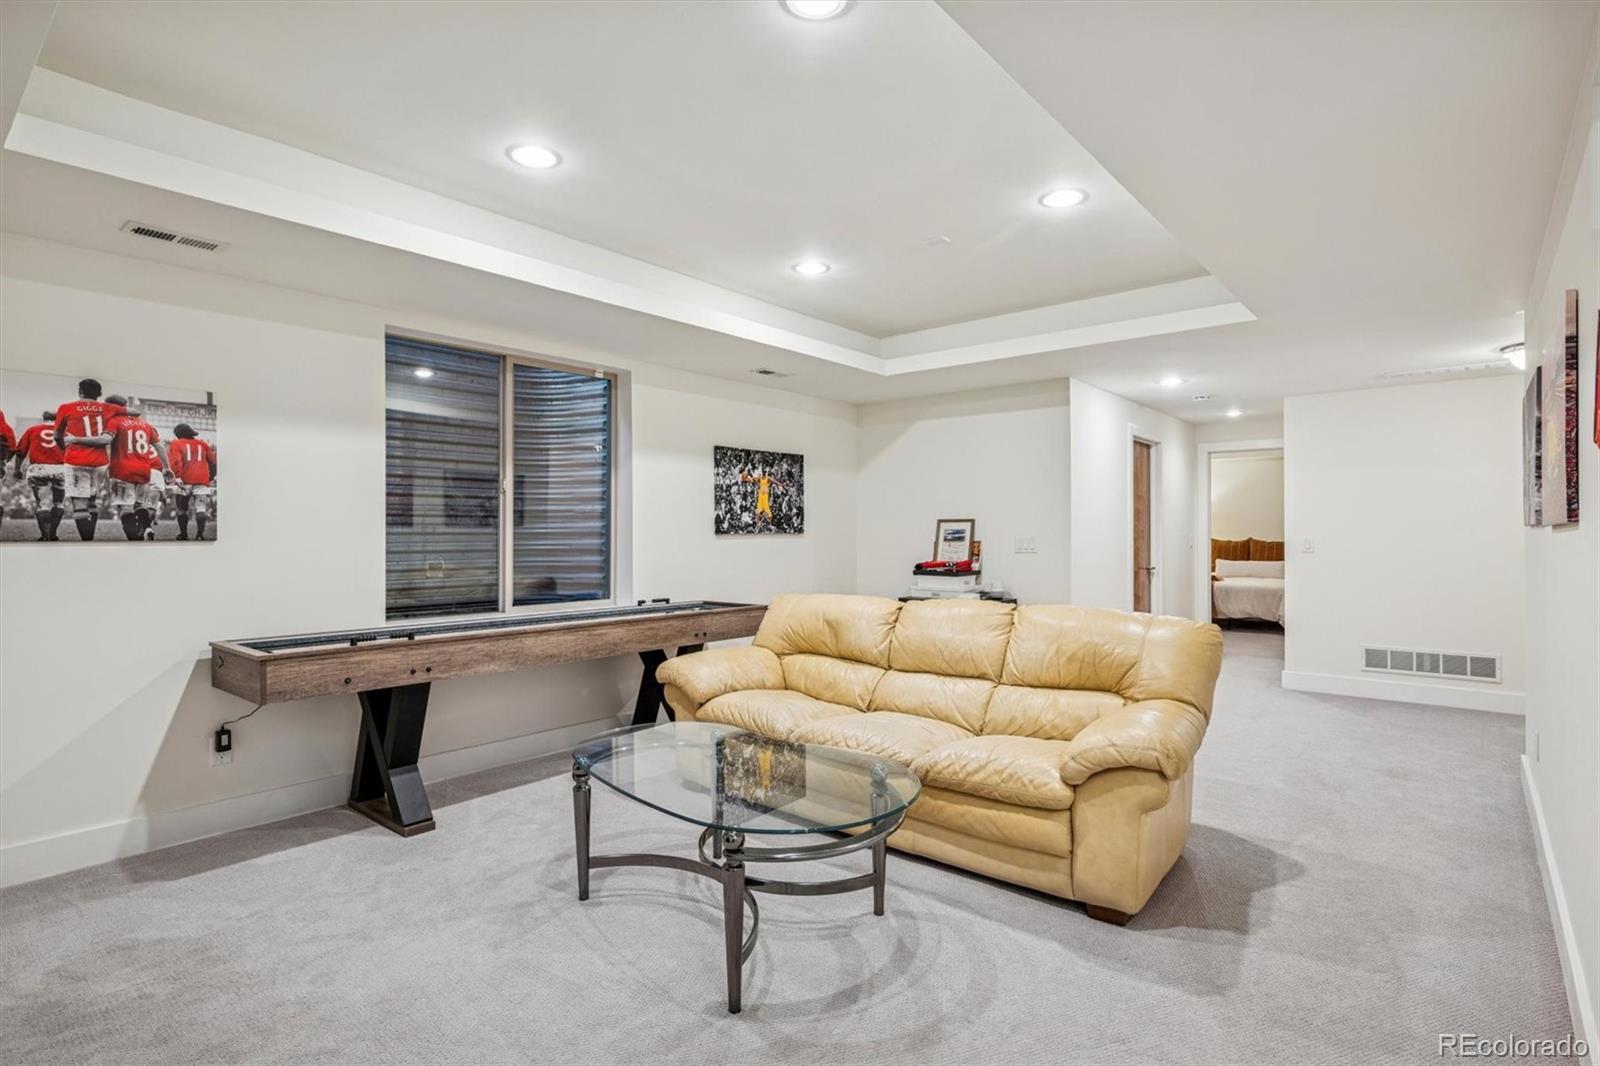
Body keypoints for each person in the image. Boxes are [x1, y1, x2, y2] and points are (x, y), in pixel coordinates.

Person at [53, 379, 124, 541]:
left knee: (79, 503)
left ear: (80, 392)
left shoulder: (66, 407)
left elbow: (57, 435)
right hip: (100, 462)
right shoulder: (108, 408)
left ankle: (86, 540)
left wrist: (64, 448)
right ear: (99, 394)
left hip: (76, 460)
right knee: (92, 501)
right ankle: (89, 538)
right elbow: (135, 411)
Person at [106, 399, 169, 541]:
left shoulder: (115, 422)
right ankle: (147, 528)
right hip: (144, 470)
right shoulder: (146, 425)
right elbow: (160, 446)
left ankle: (134, 540)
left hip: (123, 469)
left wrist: (108, 466)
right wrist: (167, 468)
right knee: (140, 505)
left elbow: (107, 444)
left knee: (125, 508)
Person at [11, 410, 67, 540]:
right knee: (58, 503)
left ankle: (45, 536)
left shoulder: (33, 430)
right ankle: (52, 534)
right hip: (60, 469)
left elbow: (20, 451)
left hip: (39, 468)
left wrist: (17, 469)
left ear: (43, 419)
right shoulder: (65, 432)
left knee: (43, 504)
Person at [166, 423, 216, 541]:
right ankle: (200, 535)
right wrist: (210, 477)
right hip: (202, 480)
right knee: (201, 508)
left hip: (184, 480)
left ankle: (184, 535)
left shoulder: (176, 443)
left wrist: (177, 476)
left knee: (182, 509)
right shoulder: (203, 444)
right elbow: (213, 463)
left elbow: (176, 461)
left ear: (178, 434)